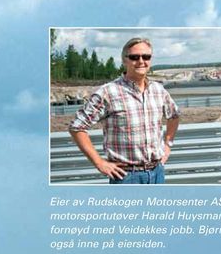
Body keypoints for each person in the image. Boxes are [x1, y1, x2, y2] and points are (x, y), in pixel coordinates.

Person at [69, 36, 180, 183]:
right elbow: (77, 127)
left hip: (157, 173)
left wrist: (167, 145)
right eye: (135, 57)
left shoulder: (158, 90)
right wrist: (99, 163)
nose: (141, 61)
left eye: (146, 56)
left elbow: (174, 115)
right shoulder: (108, 92)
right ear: (124, 60)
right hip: (126, 176)